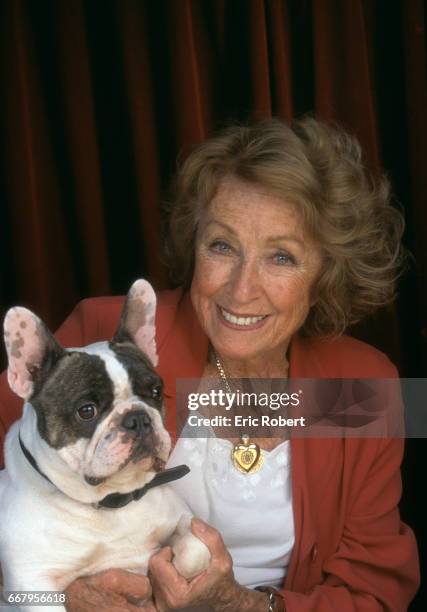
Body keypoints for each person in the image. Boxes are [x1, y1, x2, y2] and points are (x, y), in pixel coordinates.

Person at [0, 118, 419, 611]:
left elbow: (377, 594)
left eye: (281, 257)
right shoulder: (102, 333)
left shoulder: (364, 385)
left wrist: (241, 606)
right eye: (222, 245)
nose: (241, 290)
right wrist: (58, 597)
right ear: (194, 243)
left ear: (326, 270)